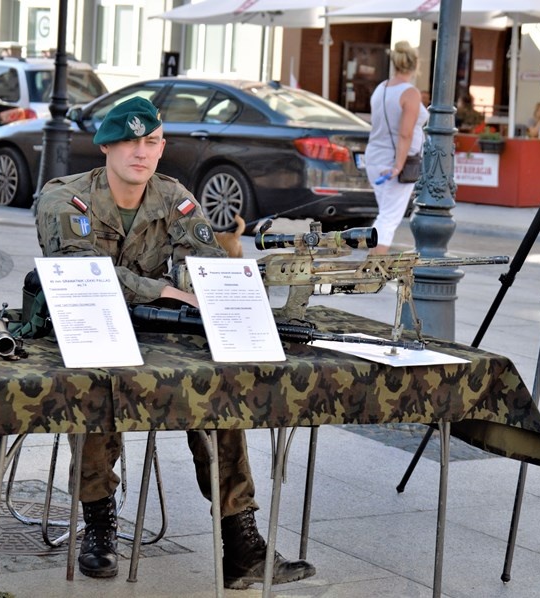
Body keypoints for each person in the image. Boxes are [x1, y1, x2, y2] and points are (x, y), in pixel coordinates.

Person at [34, 97, 316, 589]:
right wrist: (164, 289)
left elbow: (207, 264)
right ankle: (99, 521)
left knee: (218, 388)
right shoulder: (64, 198)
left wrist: (234, 286)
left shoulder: (174, 198)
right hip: (81, 323)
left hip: (152, 327)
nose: (139, 152)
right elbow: (84, 275)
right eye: (128, 141)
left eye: (151, 142)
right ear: (106, 145)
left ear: (161, 147)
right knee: (98, 385)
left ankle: (242, 543)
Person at [365, 40, 429, 255]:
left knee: (385, 213)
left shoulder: (381, 88)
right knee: (389, 217)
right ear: (415, 65)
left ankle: (371, 264)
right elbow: (405, 133)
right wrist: (398, 165)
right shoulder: (410, 93)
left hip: (375, 155)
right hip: (395, 161)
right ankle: (372, 268)